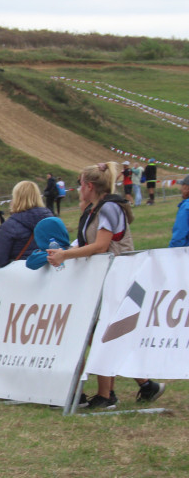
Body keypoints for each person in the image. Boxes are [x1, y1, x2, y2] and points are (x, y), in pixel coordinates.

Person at [46, 162, 165, 408]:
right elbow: (87, 242)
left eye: (80, 184)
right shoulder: (96, 208)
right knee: (103, 334)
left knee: (103, 334)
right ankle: (143, 385)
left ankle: (107, 395)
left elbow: (101, 246)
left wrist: (65, 256)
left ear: (89, 186)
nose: (78, 189)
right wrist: (68, 250)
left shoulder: (109, 208)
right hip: (107, 278)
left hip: (117, 278)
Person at [0, 182, 52, 267]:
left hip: (21, 274)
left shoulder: (10, 225)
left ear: (16, 198)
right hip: (48, 272)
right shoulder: (51, 221)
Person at [169, 174, 189, 247]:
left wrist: (172, 252)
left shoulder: (186, 207)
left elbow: (179, 235)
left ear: (187, 188)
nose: (181, 189)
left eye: (183, 186)